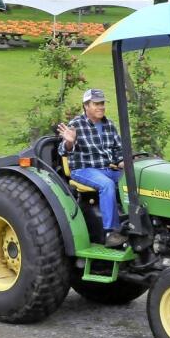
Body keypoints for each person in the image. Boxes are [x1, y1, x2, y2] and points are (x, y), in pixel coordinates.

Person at [58, 88, 126, 248]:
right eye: (96, 104)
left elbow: (118, 152)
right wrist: (69, 142)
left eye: (102, 103)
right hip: (84, 170)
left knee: (133, 179)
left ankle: (133, 225)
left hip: (107, 169)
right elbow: (63, 150)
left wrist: (126, 164)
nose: (101, 107)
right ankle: (111, 232)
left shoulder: (109, 125)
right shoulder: (76, 124)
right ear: (86, 106)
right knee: (106, 185)